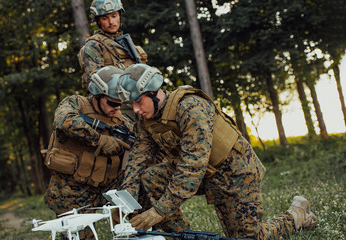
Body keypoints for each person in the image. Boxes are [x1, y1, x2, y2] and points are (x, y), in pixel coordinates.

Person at [116, 64, 318, 239]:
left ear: (153, 92)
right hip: (206, 175)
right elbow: (138, 158)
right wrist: (126, 199)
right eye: (131, 104)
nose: (135, 110)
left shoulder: (190, 107)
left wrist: (160, 210)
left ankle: (296, 216)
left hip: (235, 173)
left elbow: (193, 164)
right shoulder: (146, 121)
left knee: (247, 238)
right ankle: (182, 237)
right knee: (152, 177)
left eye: (138, 101)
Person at [43, 66, 131, 240]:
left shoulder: (121, 121)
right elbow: (64, 120)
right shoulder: (76, 103)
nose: (117, 107)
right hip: (71, 192)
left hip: (106, 189)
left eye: (121, 103)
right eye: (113, 103)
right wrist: (99, 139)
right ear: (97, 96)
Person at [78, 0, 148, 89]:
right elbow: (94, 83)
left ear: (119, 16)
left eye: (114, 16)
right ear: (98, 21)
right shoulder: (94, 45)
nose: (111, 22)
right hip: (111, 99)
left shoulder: (124, 42)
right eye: (105, 18)